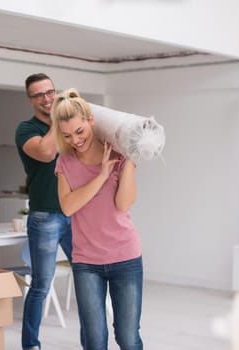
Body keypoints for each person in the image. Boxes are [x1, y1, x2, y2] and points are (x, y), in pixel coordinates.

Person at [52, 88, 144, 350]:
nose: (76, 140)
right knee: (94, 341)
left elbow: (123, 203)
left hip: (125, 258)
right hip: (86, 263)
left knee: (128, 338)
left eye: (80, 131)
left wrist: (128, 161)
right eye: (67, 135)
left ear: (91, 120)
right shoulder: (65, 162)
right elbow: (68, 207)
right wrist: (101, 176)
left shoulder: (120, 154)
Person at [15, 73, 73, 350]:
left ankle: (93, 342)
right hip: (45, 215)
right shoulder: (26, 129)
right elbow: (48, 153)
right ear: (30, 100)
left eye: (50, 92)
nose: (47, 98)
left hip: (76, 212)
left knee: (90, 278)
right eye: (39, 95)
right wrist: (58, 121)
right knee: (41, 285)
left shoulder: (70, 125)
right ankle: (31, 345)